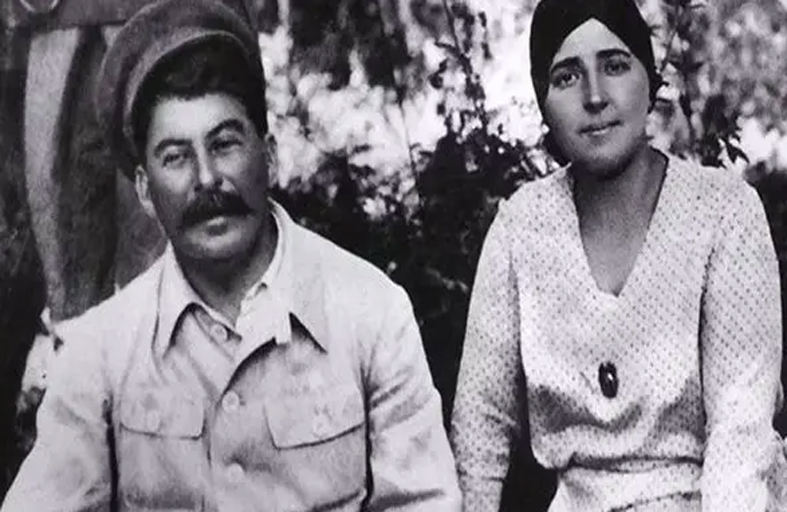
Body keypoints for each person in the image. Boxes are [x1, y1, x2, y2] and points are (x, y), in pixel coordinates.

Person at [0, 0, 461, 510]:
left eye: (224, 144)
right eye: (175, 157)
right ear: (145, 190)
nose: (206, 179)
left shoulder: (372, 313)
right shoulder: (101, 350)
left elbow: (425, 502)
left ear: (270, 156)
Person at [450, 0, 786, 510]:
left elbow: (740, 432)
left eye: (615, 65)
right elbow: (480, 426)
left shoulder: (723, 212)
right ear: (543, 102)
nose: (594, 97)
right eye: (566, 76)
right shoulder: (521, 228)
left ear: (649, 82)